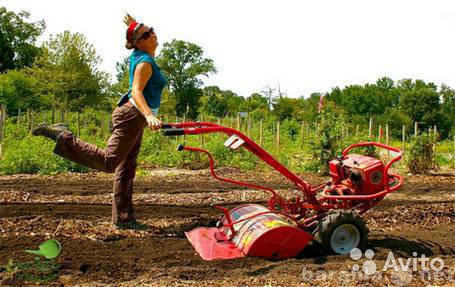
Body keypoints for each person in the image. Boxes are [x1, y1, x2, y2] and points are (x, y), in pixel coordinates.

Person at [33, 14, 167, 229]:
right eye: (146, 34)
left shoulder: (140, 53)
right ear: (138, 43)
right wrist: (149, 115)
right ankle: (63, 137)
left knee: (127, 166)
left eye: (152, 29)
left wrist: (134, 25)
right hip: (133, 115)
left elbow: (136, 37)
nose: (153, 34)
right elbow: (136, 90)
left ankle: (123, 219)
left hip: (134, 117)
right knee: (110, 162)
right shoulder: (144, 62)